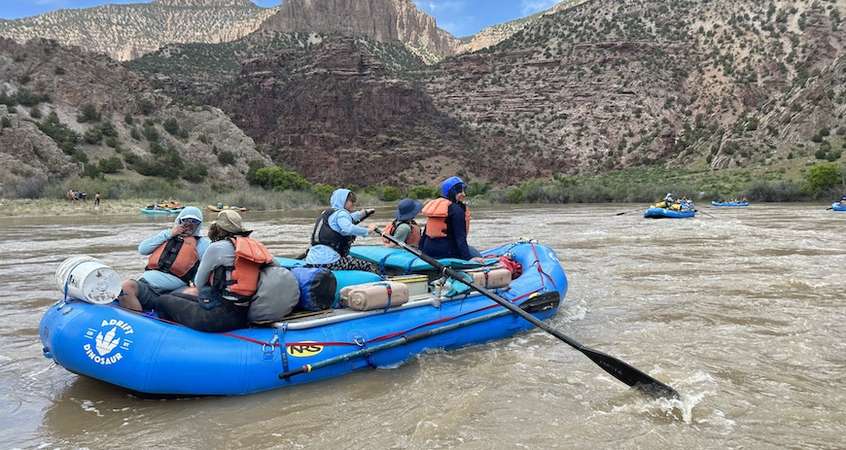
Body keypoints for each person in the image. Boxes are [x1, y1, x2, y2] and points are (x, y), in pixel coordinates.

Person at [154, 210, 274, 332]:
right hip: (245, 313)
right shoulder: (256, 246)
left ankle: (173, 338)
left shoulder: (217, 247)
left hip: (218, 317)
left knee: (163, 300)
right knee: (175, 295)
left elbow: (199, 283)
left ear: (219, 228)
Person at [118, 207, 210, 312]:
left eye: (194, 221)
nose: (189, 224)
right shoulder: (166, 235)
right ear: (179, 221)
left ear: (199, 225)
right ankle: (137, 319)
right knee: (126, 286)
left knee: (193, 293)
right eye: (185, 220)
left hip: (174, 291)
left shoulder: (202, 243)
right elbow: (143, 249)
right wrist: (170, 233)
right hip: (147, 285)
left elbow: (206, 269)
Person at [305, 188, 378, 271]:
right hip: (329, 262)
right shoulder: (341, 213)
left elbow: (349, 218)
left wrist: (363, 213)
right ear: (342, 201)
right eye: (351, 201)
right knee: (368, 266)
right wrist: (368, 231)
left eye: (354, 200)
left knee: (350, 258)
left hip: (311, 261)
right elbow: (348, 228)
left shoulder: (327, 212)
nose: (353, 203)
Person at [420, 176, 483, 262]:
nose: (464, 194)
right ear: (452, 191)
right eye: (460, 191)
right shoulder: (456, 210)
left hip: (427, 251)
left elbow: (425, 235)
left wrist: (421, 253)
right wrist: (468, 259)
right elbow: (460, 238)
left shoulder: (436, 207)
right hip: (446, 253)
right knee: (477, 254)